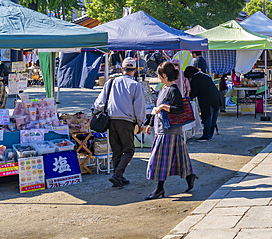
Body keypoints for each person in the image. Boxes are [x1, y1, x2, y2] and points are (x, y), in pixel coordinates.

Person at [144, 61, 196, 199]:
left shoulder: (173, 90)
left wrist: (162, 108)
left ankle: (159, 189)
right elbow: (157, 109)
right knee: (180, 159)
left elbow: (179, 109)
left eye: (159, 75)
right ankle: (190, 176)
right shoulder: (164, 88)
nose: (158, 77)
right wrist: (150, 124)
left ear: (165, 75)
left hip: (169, 132)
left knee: (160, 161)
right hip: (164, 130)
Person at [93, 57, 147, 188]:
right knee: (128, 150)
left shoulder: (111, 82)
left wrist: (94, 113)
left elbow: (100, 102)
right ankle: (117, 174)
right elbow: (139, 107)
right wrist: (141, 123)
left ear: (122, 69)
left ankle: (118, 177)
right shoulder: (135, 85)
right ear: (134, 70)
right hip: (126, 121)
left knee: (116, 150)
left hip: (111, 121)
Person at [183, 65, 222, 141]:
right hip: (216, 98)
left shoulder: (196, 79)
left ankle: (207, 135)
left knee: (207, 117)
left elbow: (193, 92)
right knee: (213, 118)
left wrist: (186, 99)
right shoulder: (204, 75)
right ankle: (210, 135)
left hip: (207, 100)